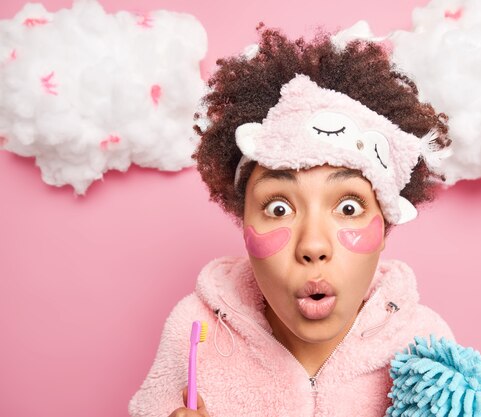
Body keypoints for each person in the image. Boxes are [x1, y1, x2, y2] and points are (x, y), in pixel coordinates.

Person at [128, 24, 455, 417]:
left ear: (385, 225)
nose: (313, 246)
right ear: (242, 218)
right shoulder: (196, 331)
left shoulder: (426, 349)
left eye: (348, 208)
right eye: (279, 208)